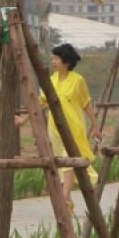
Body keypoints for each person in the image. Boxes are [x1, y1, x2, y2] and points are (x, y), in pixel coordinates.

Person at [18, 43, 100, 207]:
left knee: (69, 158)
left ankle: (64, 195)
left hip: (74, 127)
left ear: (66, 62)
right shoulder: (50, 80)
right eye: (53, 58)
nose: (53, 61)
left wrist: (96, 126)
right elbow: (40, 103)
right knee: (62, 160)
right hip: (54, 128)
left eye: (56, 58)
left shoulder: (78, 81)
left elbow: (86, 104)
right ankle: (68, 199)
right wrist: (24, 120)